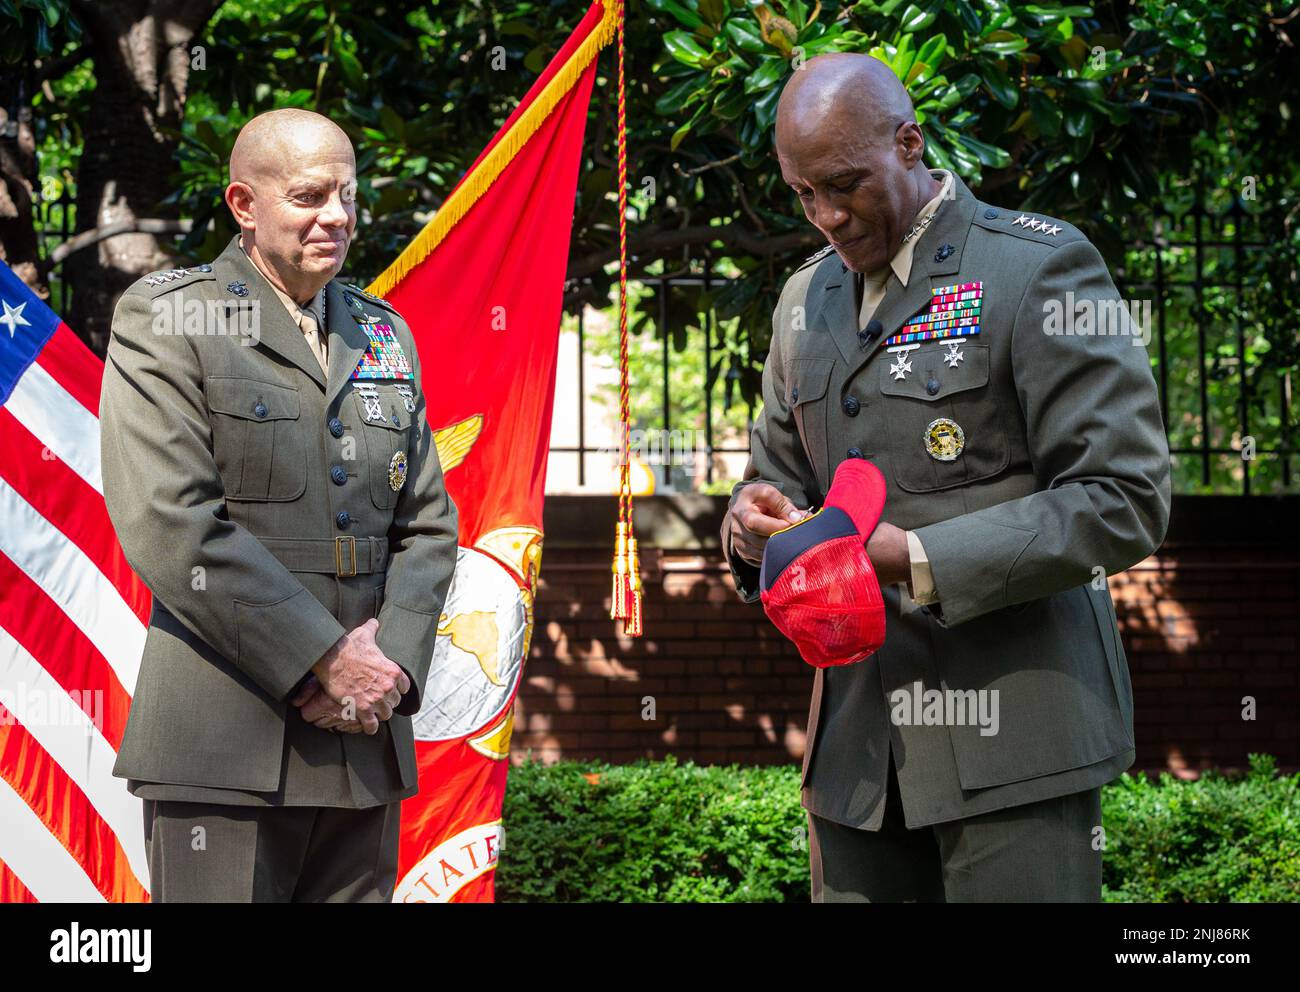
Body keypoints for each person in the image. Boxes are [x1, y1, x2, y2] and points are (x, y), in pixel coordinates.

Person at [720, 54, 1171, 902]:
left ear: (909, 143)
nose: (825, 215)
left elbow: (1124, 496)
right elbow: (773, 478)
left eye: (845, 184)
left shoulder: (1037, 269)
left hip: (1016, 746)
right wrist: (750, 524)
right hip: (857, 762)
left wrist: (918, 557)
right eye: (802, 193)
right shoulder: (802, 301)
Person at [99, 108, 459, 902]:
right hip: (225, 746)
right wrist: (324, 661)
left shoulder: (382, 331)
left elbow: (428, 524)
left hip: (362, 744)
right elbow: (172, 522)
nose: (335, 215)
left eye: (347, 195)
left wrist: (388, 664)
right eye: (307, 196)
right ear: (243, 203)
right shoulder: (171, 317)